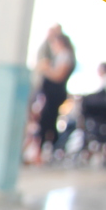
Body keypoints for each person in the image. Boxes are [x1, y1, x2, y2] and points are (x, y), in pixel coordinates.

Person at [35, 30, 75, 159]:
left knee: (48, 122)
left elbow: (59, 76)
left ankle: (49, 150)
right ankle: (46, 150)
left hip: (55, 94)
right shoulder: (59, 56)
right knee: (47, 121)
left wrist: (45, 69)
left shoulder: (65, 55)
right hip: (51, 94)